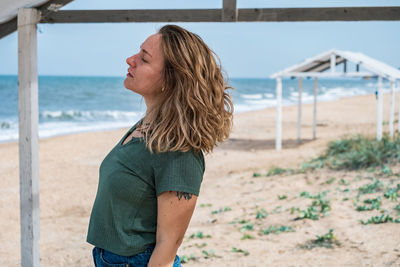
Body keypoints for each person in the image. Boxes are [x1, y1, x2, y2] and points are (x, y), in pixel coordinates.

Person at [87, 24, 233, 267]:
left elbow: (168, 245)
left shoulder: (178, 150)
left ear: (171, 79)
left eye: (144, 59)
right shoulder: (145, 127)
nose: (130, 60)